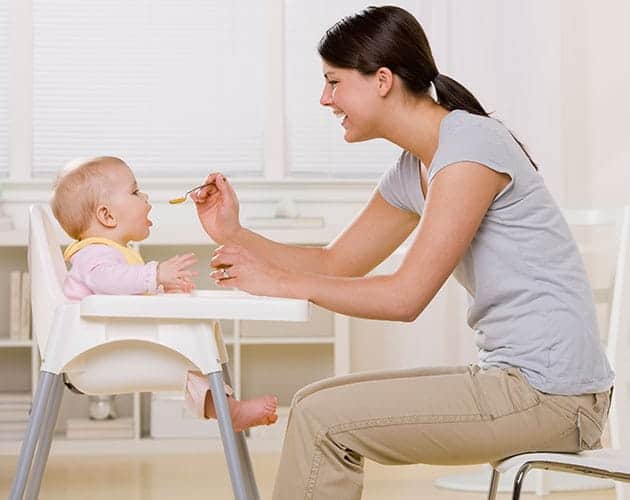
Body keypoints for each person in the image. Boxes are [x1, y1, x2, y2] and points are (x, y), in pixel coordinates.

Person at [191, 6, 615, 499]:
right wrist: (236, 233)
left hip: (553, 396)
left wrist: (279, 282)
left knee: (322, 420)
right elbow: (337, 263)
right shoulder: (417, 166)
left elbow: (404, 298)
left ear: (383, 80)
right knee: (313, 404)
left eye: (334, 82)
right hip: (522, 383)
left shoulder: (469, 148)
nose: (324, 99)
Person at [50, 155, 278, 432]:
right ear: (107, 215)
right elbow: (107, 282)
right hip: (96, 356)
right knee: (190, 359)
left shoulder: (111, 253)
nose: (145, 197)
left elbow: (119, 295)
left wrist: (158, 289)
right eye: (135, 191)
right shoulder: (94, 253)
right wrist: (154, 275)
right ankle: (230, 412)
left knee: (192, 359)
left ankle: (229, 410)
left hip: (111, 347)